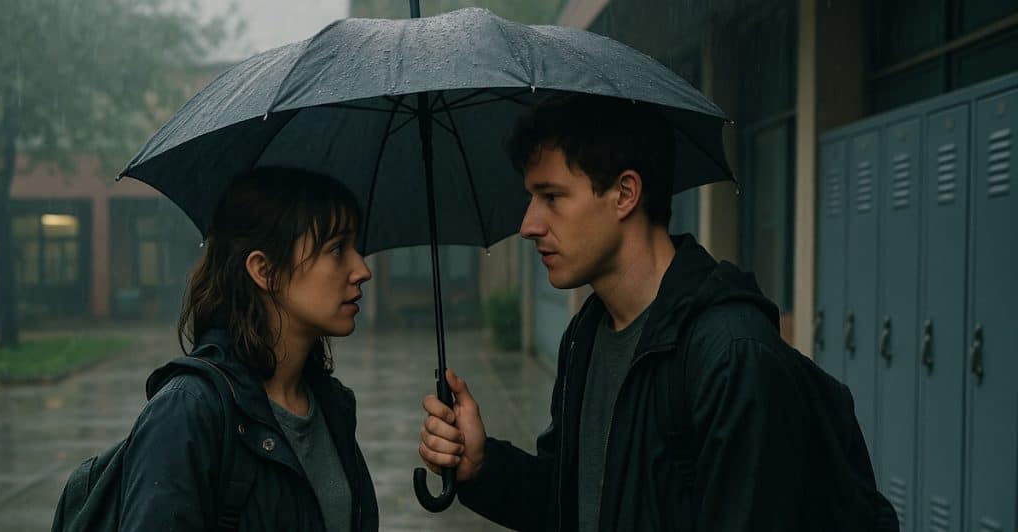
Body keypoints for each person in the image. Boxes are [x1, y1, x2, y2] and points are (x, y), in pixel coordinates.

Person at [418, 94, 895, 531]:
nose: (528, 224)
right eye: (531, 198)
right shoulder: (585, 337)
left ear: (625, 194)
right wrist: (483, 467)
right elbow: (571, 505)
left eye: (552, 197)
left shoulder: (731, 357)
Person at [120, 167, 379, 531]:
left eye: (355, 247)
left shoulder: (332, 405)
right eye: (337, 248)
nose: (362, 269)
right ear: (265, 270)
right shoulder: (188, 412)